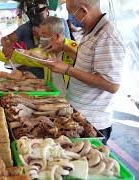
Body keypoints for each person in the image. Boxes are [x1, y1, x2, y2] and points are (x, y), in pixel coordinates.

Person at [42, 0, 125, 144]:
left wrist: (67, 69)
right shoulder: (91, 32)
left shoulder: (107, 36)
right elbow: (88, 63)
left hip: (93, 123)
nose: (70, 18)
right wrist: (64, 48)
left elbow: (112, 85)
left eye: (71, 13)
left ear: (83, 11)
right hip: (77, 114)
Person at [38, 16, 78, 96]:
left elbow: (86, 64)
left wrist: (65, 48)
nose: (41, 39)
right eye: (41, 36)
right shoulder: (47, 50)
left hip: (72, 101)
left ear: (56, 37)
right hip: (54, 98)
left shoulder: (75, 48)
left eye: (44, 36)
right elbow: (30, 56)